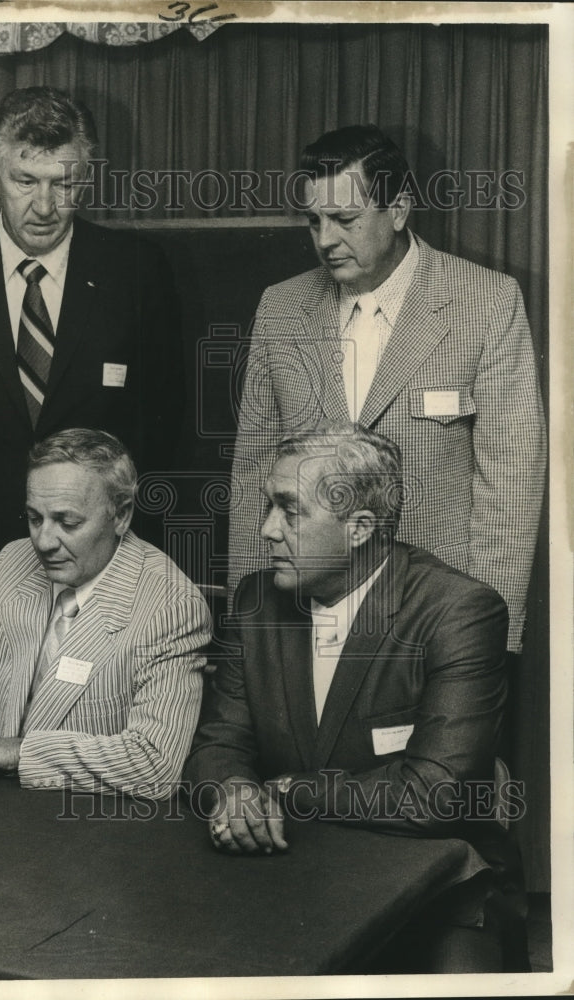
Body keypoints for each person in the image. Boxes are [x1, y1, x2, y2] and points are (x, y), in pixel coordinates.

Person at [186, 423, 527, 972]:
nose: (267, 531)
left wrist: (287, 790)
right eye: (267, 507)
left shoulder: (459, 611)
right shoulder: (255, 601)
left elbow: (436, 795)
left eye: (289, 511)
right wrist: (232, 789)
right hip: (291, 872)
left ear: (359, 527)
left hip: (437, 892)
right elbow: (216, 745)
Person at [228, 124, 545, 654]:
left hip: (436, 613)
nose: (325, 240)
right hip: (306, 615)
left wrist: (491, 633)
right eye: (314, 221)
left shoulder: (487, 304)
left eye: (345, 220)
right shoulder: (280, 307)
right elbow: (252, 474)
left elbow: (509, 489)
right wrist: (249, 624)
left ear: (397, 210)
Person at [0, 86, 184, 669]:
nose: (44, 206)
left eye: (65, 183)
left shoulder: (137, 273)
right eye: (25, 180)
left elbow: (161, 425)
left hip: (103, 560)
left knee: (86, 728)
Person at [0, 429, 210, 798]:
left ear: (121, 516)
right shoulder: (13, 562)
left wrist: (21, 751)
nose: (43, 542)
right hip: (11, 814)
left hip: (101, 826)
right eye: (35, 518)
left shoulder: (170, 604)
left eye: (68, 523)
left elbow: (154, 764)